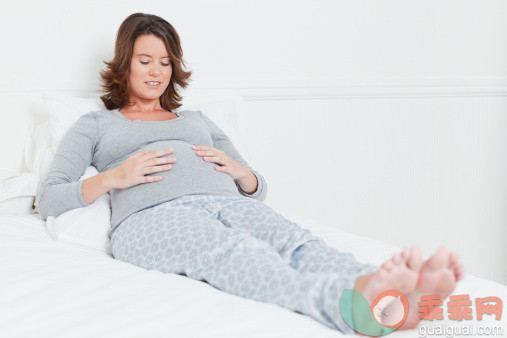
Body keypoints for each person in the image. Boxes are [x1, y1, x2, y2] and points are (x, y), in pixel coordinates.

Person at [37, 12, 465, 334]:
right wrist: (115, 177)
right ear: (125, 62)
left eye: (165, 63)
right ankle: (349, 307)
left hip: (224, 201)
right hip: (151, 217)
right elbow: (51, 196)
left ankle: (388, 291)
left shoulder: (198, 119)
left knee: (297, 243)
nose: (155, 72)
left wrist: (243, 172)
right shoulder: (96, 125)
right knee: (237, 253)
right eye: (145, 60)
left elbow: (256, 189)